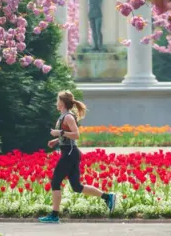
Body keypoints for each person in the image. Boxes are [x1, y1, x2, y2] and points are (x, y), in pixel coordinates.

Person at [38, 90, 116, 223]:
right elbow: (68, 135)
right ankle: (107, 197)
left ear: (62, 103)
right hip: (70, 152)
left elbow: (76, 134)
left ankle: (54, 215)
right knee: (77, 187)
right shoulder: (63, 116)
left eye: (58, 101)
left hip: (69, 153)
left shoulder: (68, 117)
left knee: (56, 182)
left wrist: (59, 132)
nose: (56, 103)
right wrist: (56, 140)